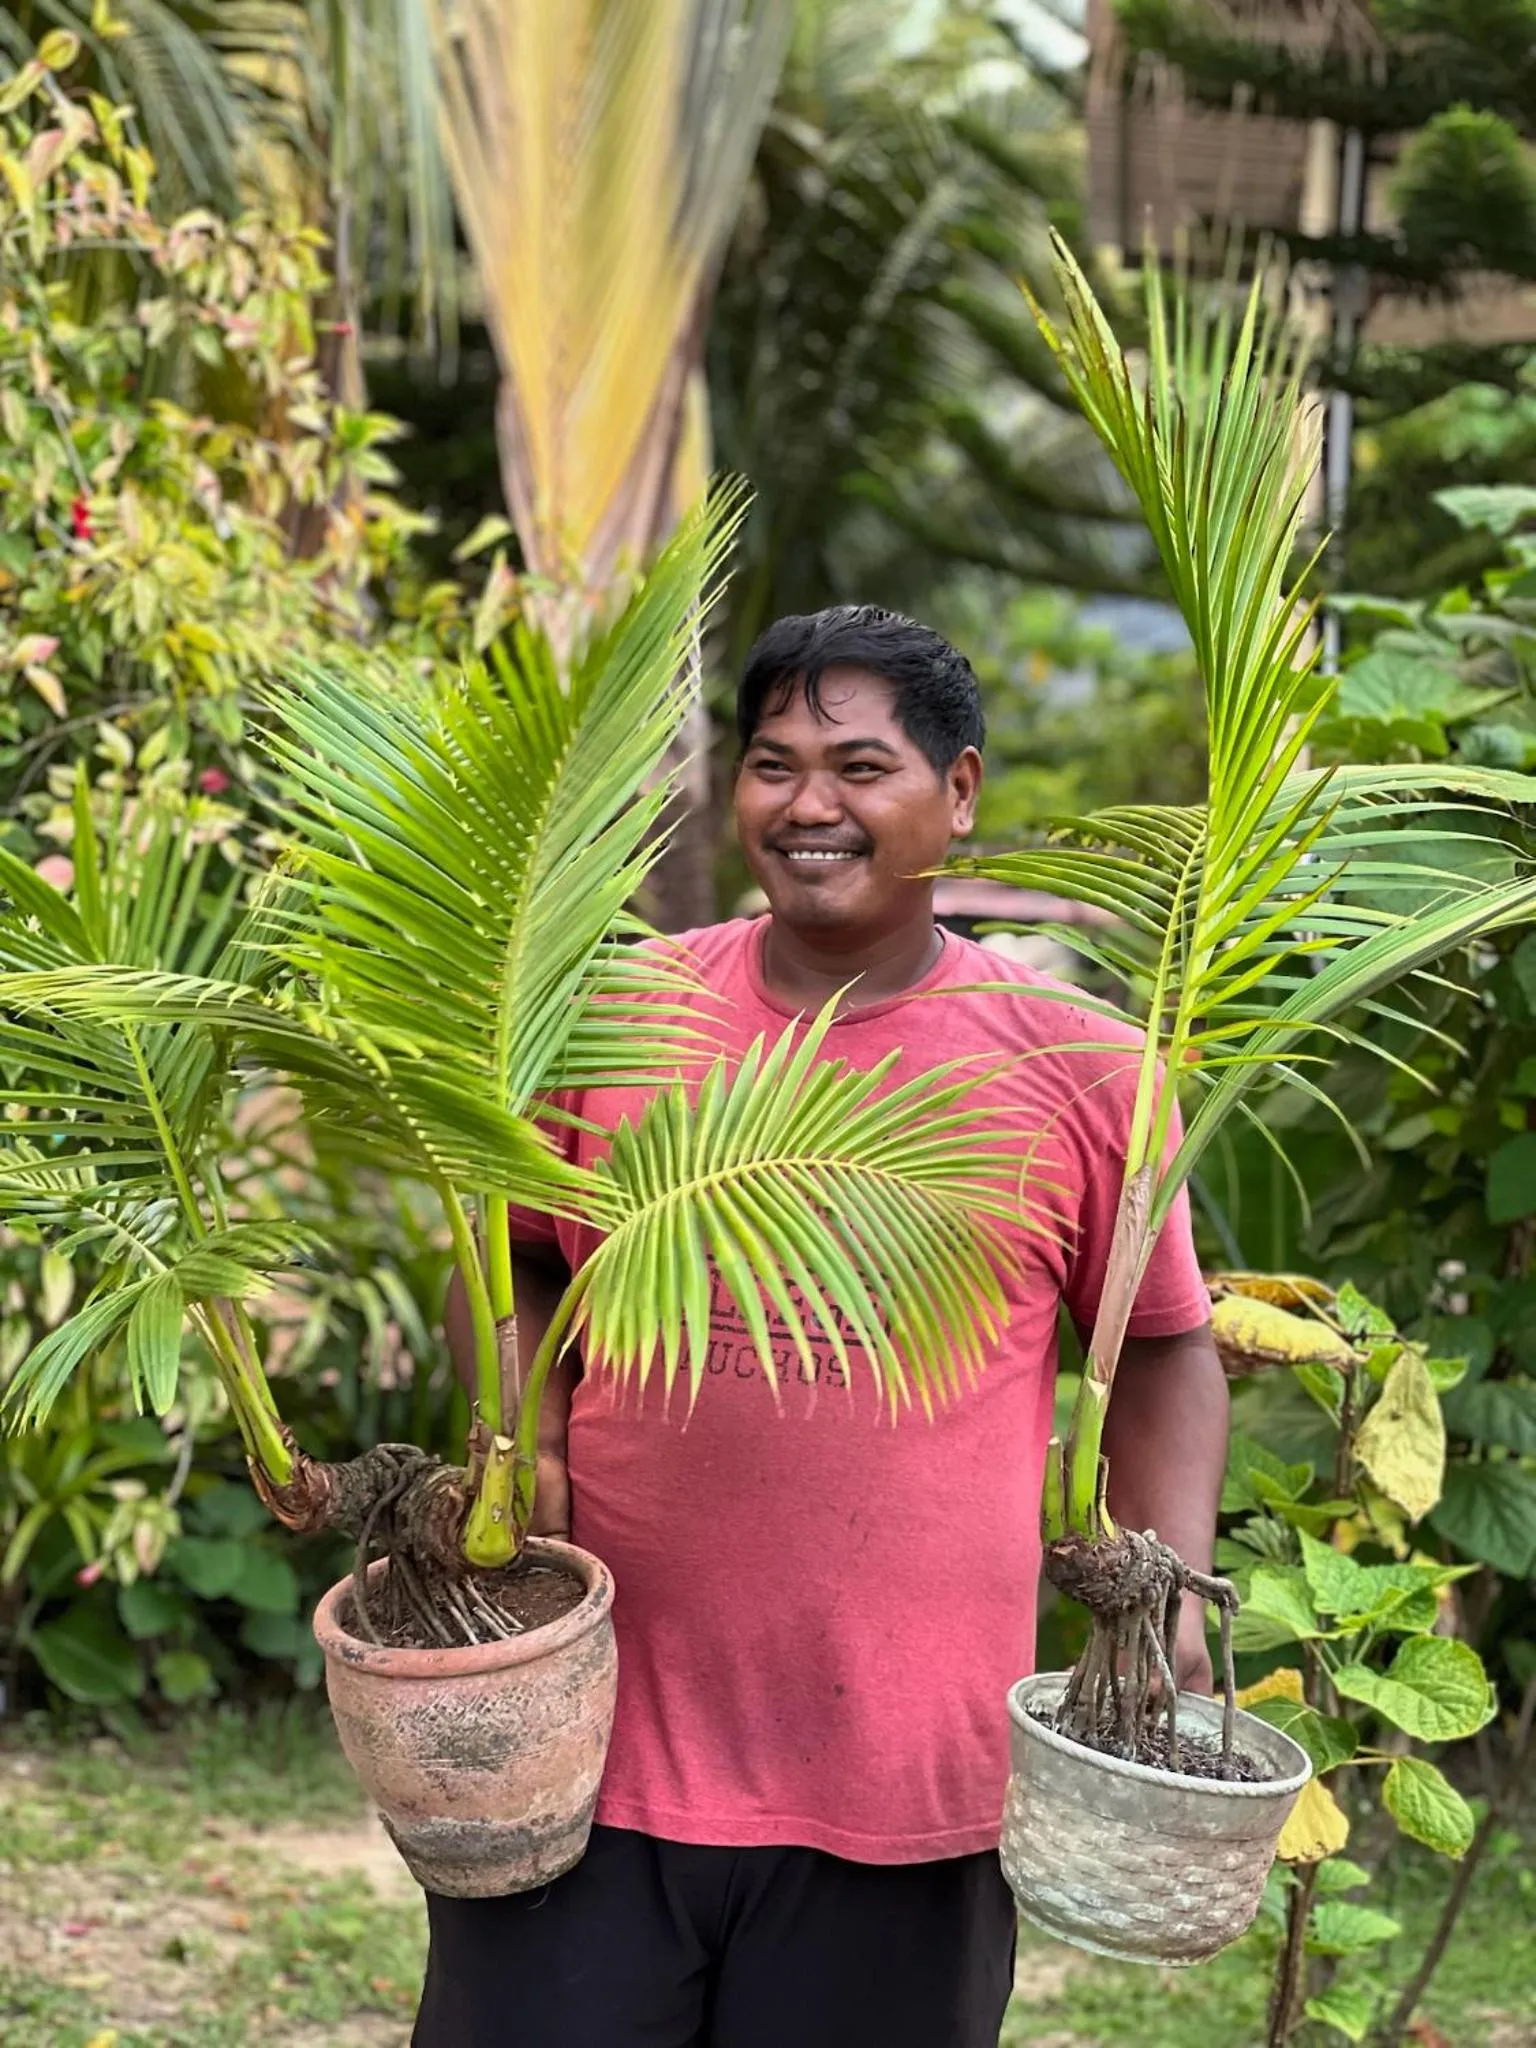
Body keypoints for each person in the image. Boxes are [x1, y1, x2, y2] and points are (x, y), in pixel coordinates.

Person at [424, 606, 1228, 2048]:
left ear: (960, 792)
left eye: (862, 767)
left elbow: (1165, 1342)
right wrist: (526, 1441)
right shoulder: (618, 1016)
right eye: (774, 763)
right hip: (578, 1764)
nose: (810, 806)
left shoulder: (1084, 1068)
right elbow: (513, 1260)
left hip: (911, 1795)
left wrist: (1161, 1603)